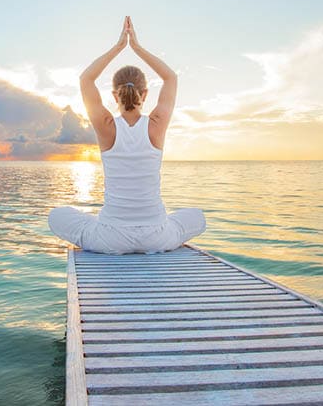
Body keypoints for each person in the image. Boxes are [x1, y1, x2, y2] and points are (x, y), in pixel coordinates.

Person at [48, 16, 206, 254]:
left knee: (57, 215)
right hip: (156, 236)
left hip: (111, 238)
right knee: (197, 217)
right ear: (145, 94)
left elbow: (86, 79)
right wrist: (137, 47)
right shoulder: (156, 124)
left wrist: (119, 46)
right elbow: (171, 78)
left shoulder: (106, 126)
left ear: (115, 95)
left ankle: (102, 225)